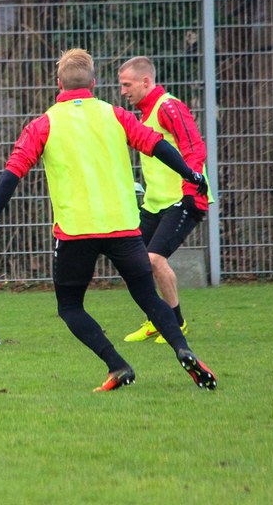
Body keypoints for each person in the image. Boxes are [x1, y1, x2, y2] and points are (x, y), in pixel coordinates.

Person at [0, 48, 216, 390]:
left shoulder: (44, 124)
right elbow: (157, 146)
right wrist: (191, 174)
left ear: (58, 84)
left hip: (76, 232)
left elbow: (12, 173)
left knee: (70, 306)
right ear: (93, 84)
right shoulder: (115, 115)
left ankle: (117, 365)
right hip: (123, 227)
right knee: (148, 297)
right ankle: (183, 349)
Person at [117, 56, 212, 344]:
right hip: (155, 203)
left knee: (154, 259)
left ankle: (176, 323)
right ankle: (157, 319)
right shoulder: (143, 115)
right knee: (133, 261)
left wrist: (191, 189)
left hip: (183, 198)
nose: (123, 91)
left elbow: (194, 147)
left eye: (127, 85)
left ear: (146, 81)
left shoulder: (169, 106)